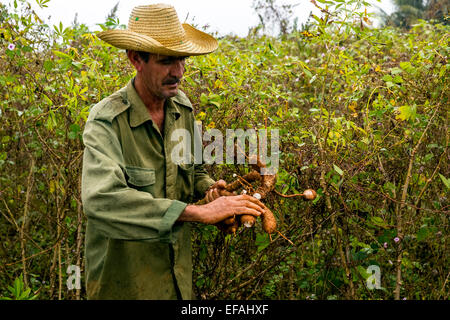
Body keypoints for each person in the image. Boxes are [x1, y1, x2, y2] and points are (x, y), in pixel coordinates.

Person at [81, 3, 265, 300]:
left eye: (182, 61)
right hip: (124, 284)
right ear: (135, 59)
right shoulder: (107, 120)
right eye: (167, 61)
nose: (178, 72)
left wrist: (211, 192)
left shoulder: (182, 109)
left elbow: (193, 172)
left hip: (177, 282)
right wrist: (199, 213)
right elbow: (102, 200)